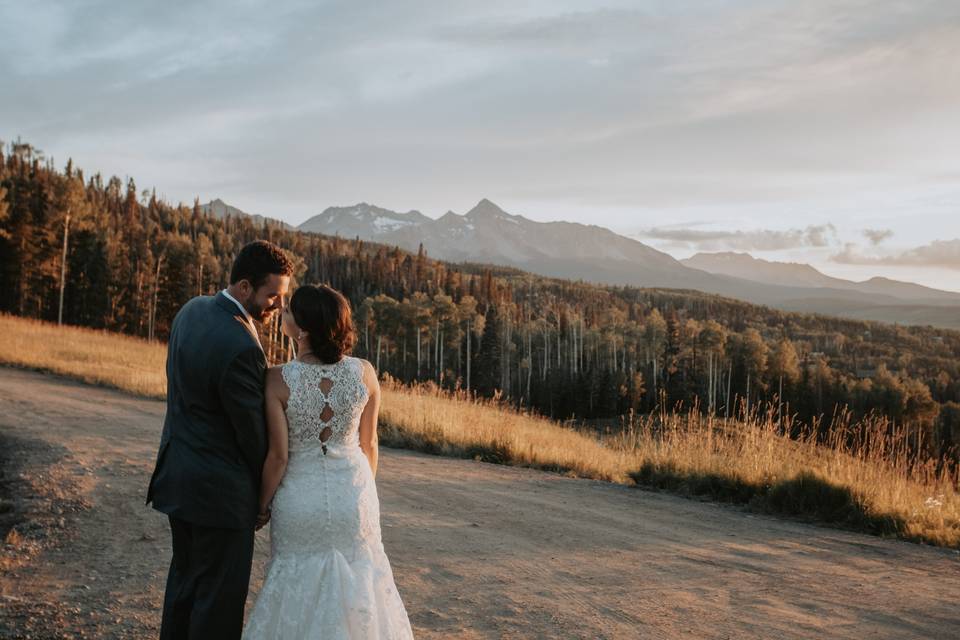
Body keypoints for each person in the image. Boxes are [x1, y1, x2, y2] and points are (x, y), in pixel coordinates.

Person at [242, 284, 414, 639]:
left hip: (299, 502)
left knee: (297, 587)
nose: (283, 314)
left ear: (302, 329)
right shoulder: (364, 373)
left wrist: (260, 506)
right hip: (354, 496)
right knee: (359, 585)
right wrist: (362, 493)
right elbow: (369, 444)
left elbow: (278, 456)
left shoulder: (275, 380)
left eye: (288, 311)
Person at [147, 240, 293, 639]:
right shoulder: (243, 346)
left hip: (178, 480)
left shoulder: (192, 309)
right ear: (245, 288)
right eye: (272, 296)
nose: (278, 306)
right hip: (221, 497)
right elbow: (253, 436)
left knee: (184, 587)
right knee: (219, 604)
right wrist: (264, 497)